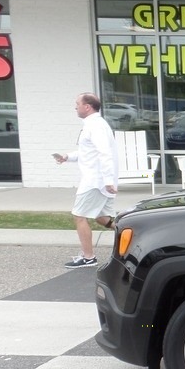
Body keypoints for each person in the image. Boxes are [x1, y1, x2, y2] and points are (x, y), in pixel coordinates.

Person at [53, 93, 119, 268]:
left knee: (79, 216)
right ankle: (135, 233)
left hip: (95, 181)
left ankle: (88, 257)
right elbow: (87, 153)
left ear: (87, 107)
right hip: (99, 180)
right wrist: (67, 157)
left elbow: (104, 153)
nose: (75, 107)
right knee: (102, 218)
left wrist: (107, 180)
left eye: (77, 104)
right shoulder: (93, 125)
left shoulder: (95, 126)